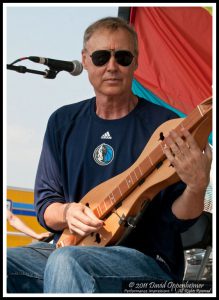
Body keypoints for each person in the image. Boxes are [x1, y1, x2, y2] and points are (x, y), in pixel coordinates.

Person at [7, 16, 212, 293]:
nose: (112, 67)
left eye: (123, 57)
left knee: (67, 263)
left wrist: (196, 186)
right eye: (102, 57)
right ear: (86, 59)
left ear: (136, 61)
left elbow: (179, 219)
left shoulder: (166, 127)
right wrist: (68, 213)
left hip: (147, 260)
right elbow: (46, 206)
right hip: (68, 247)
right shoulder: (62, 121)